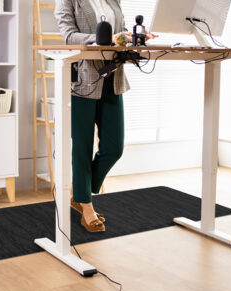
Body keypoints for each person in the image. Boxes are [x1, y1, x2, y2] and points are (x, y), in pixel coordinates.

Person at [54, 0, 156, 232]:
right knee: (82, 146)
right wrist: (103, 39)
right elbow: (69, 36)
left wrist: (133, 37)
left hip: (114, 77)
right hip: (84, 79)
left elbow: (118, 34)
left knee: (114, 148)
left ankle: (79, 192)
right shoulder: (68, 2)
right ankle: (86, 206)